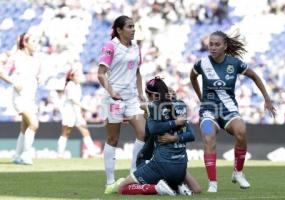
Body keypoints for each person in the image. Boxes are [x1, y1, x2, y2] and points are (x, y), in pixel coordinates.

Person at [190, 31, 276, 192]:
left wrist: (267, 99)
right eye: (211, 44)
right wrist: (200, 97)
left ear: (225, 46)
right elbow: (192, 77)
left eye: (217, 44)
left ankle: (238, 172)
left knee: (241, 130)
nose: (213, 48)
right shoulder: (201, 64)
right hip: (209, 111)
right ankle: (213, 183)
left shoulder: (235, 63)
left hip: (229, 111)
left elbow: (255, 77)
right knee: (208, 137)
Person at [112, 77, 196, 196]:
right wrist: (176, 136)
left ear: (150, 95)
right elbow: (192, 135)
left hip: (162, 164)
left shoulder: (154, 106)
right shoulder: (180, 106)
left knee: (123, 187)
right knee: (194, 187)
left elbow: (153, 129)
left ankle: (157, 188)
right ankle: (176, 187)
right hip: (181, 166)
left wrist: (174, 123)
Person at [97, 15, 146, 193]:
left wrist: (140, 93)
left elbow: (138, 72)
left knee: (143, 132)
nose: (133, 29)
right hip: (114, 98)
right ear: (119, 30)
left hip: (132, 98)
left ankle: (132, 173)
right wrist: (111, 92)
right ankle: (110, 182)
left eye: (134, 26)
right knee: (113, 139)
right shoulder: (111, 46)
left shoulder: (136, 47)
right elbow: (101, 73)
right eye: (129, 27)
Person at [135, 86, 202, 195]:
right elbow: (143, 106)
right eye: (168, 93)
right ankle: (170, 186)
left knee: (197, 190)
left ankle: (174, 186)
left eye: (173, 93)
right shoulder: (157, 111)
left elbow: (191, 135)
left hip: (174, 161)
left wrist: (175, 138)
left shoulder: (180, 114)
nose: (171, 94)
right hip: (155, 158)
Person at [0, 33, 40, 165]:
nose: (36, 43)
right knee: (34, 124)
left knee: (25, 128)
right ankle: (26, 155)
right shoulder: (16, 57)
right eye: (33, 41)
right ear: (25, 43)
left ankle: (17, 155)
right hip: (20, 97)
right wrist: (13, 82)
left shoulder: (34, 59)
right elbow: (1, 72)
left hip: (31, 97)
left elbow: (33, 76)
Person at [57, 69, 100, 158]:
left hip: (76, 112)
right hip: (68, 112)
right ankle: (60, 154)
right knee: (66, 132)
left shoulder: (77, 86)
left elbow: (77, 103)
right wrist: (88, 109)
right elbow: (75, 101)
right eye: (78, 75)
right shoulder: (70, 85)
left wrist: (81, 111)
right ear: (71, 77)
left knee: (85, 130)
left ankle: (92, 153)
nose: (80, 77)